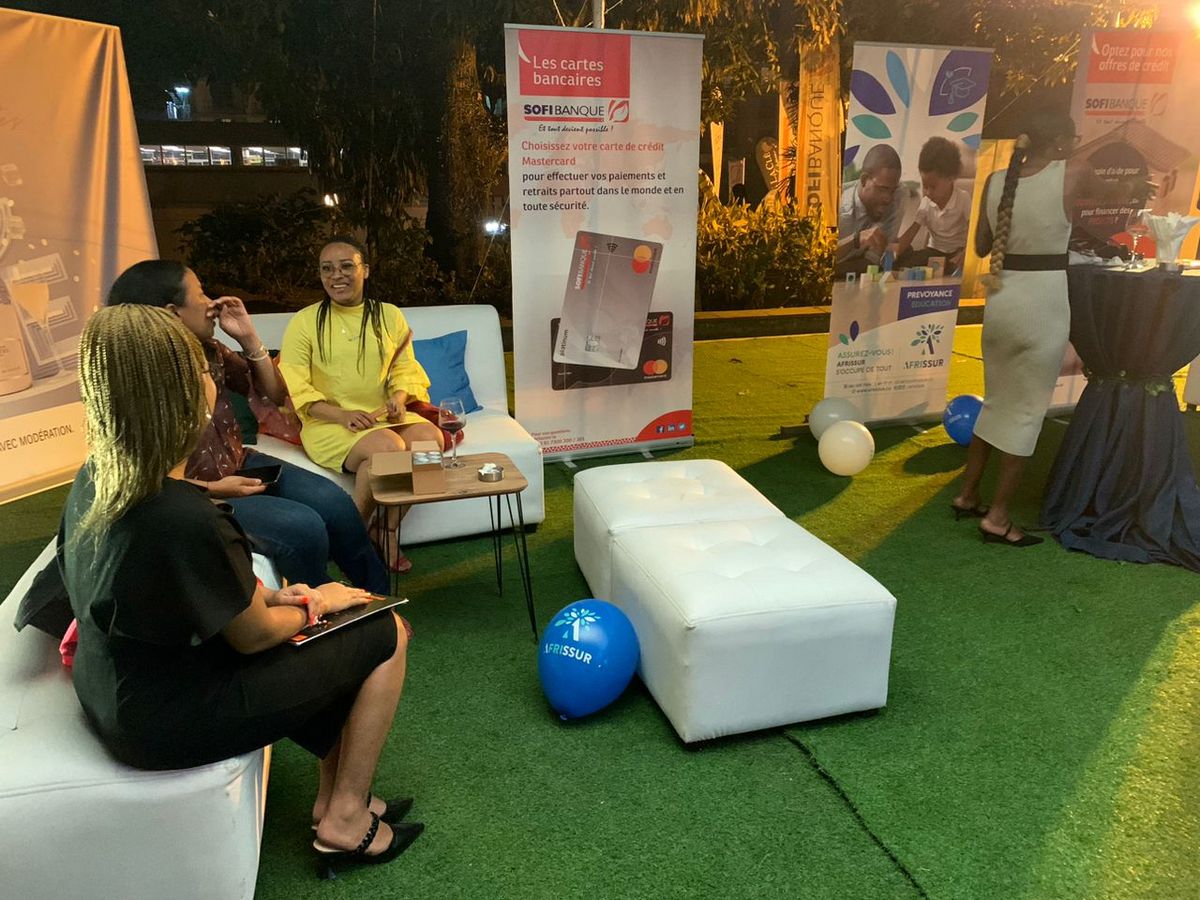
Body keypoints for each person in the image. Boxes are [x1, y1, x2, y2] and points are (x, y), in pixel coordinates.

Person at [62, 304, 421, 875]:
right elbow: (254, 636)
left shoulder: (98, 479)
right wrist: (316, 601)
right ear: (180, 395)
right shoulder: (180, 515)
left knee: (339, 626)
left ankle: (336, 800)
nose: (211, 379)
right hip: (165, 719)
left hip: (121, 691)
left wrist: (281, 600)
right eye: (200, 371)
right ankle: (345, 820)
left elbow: (181, 593)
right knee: (385, 630)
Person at [106, 261, 389, 594]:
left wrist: (248, 336)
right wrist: (213, 489)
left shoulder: (209, 350)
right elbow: (142, 481)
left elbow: (274, 393)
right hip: (191, 494)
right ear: (172, 313)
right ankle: (326, 608)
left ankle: (380, 599)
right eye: (201, 294)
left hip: (240, 462)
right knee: (303, 527)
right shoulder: (133, 383)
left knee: (335, 503)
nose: (212, 304)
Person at [951, 110, 1082, 547]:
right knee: (1026, 414)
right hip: (1042, 305)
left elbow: (982, 246)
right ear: (1059, 140)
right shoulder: (1069, 173)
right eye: (1073, 138)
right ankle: (999, 517)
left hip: (1001, 302)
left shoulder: (996, 181)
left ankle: (968, 495)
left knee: (995, 404)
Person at [278, 236, 445, 573]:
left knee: (431, 443)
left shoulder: (389, 315)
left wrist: (398, 399)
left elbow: (404, 369)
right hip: (328, 421)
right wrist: (342, 415)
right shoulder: (304, 321)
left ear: (365, 270)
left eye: (346, 266)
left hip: (382, 417)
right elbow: (297, 386)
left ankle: (386, 528)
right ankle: (353, 541)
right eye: (327, 269)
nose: (336, 275)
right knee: (388, 447)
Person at [894, 136, 971, 273]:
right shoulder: (926, 203)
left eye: (933, 187)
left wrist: (966, 252)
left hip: (957, 252)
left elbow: (973, 233)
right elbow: (911, 232)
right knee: (906, 260)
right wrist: (895, 251)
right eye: (925, 186)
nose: (928, 192)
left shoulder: (963, 199)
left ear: (951, 178)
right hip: (934, 252)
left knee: (961, 264)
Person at [836, 143, 903, 274]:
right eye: (882, 189)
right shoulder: (836, 206)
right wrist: (855, 240)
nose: (888, 198)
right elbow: (815, 259)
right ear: (864, 180)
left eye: (892, 190)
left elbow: (872, 262)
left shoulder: (895, 200)